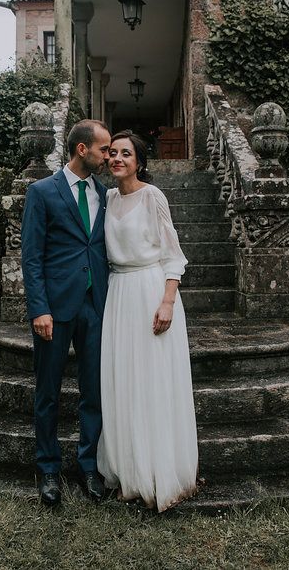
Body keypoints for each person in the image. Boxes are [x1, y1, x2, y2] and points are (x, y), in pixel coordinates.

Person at [97, 130, 199, 512]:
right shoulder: (105, 199)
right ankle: (129, 467)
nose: (118, 159)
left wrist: (168, 302)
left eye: (126, 153)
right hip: (119, 294)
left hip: (151, 290)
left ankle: (159, 469)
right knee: (123, 380)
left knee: (154, 380)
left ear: (139, 161)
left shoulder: (153, 196)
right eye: (113, 153)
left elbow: (173, 254)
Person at [21, 119, 111, 506]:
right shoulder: (42, 192)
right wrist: (38, 308)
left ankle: (88, 467)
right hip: (54, 310)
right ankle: (49, 470)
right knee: (48, 393)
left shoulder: (105, 194)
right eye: (104, 149)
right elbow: (31, 256)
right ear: (81, 149)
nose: (108, 156)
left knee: (94, 392)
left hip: (95, 306)